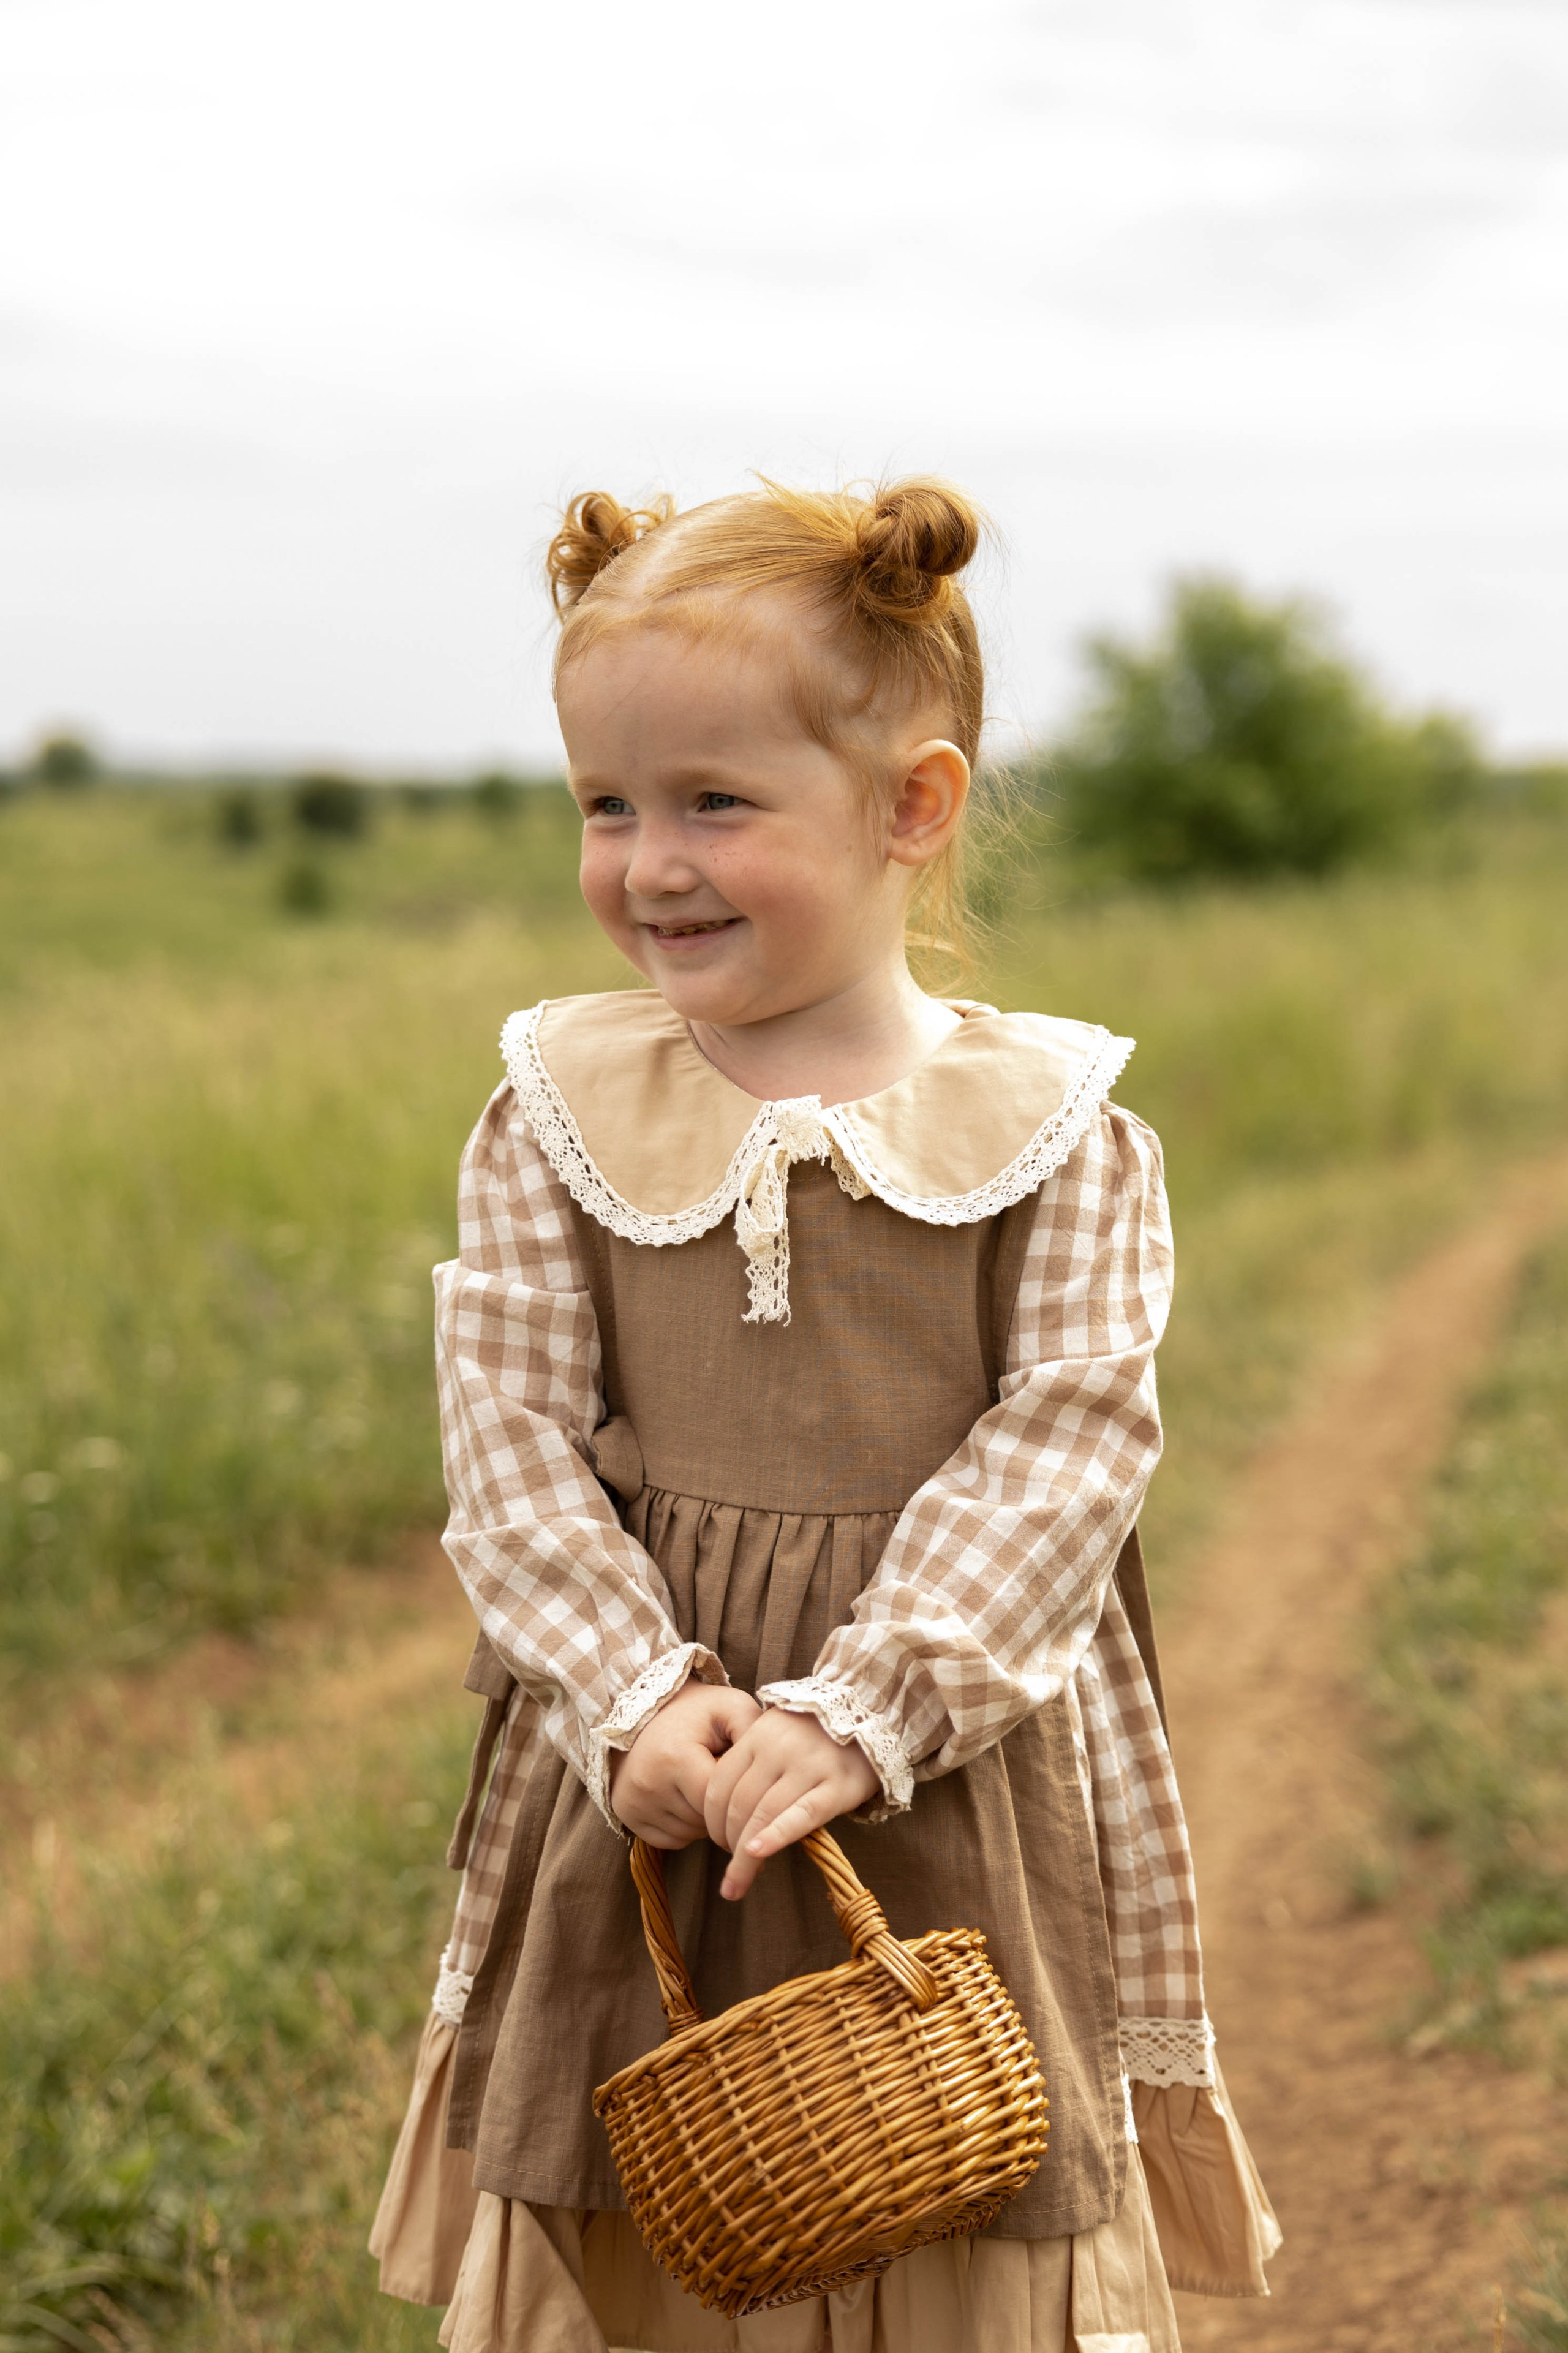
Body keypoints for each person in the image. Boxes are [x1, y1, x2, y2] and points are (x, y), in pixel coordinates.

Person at [370, 477, 1279, 2352]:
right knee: (647, 2159)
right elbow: (510, 1436)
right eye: (606, 805)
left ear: (911, 807)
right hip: (653, 1761)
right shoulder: (556, 1109)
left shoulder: (1056, 1135)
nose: (651, 863)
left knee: (958, 2157)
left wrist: (870, 1708)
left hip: (947, 1753)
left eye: (715, 800)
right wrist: (632, 1694)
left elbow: (1069, 1446)